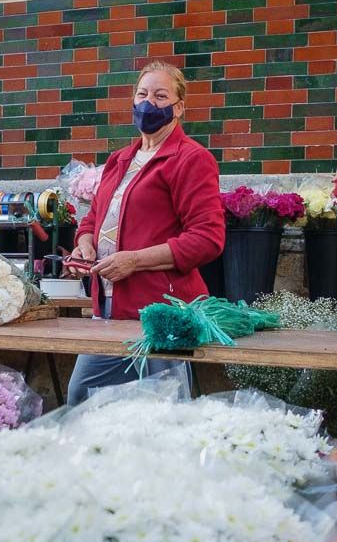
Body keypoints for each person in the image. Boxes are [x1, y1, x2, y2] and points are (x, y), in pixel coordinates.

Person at [65, 61, 225, 404]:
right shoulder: (119, 159)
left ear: (179, 107)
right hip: (108, 310)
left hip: (163, 312)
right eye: (142, 94)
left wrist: (134, 261)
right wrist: (85, 244)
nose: (148, 103)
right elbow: (92, 218)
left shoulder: (191, 159)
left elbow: (208, 238)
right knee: (81, 395)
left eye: (160, 95)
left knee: (168, 406)